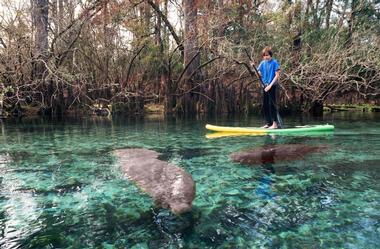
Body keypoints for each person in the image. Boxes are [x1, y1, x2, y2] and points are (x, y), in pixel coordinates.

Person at [257, 47, 281, 129]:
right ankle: (269, 123)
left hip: (272, 86)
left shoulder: (274, 62)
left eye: (267, 55)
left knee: (272, 105)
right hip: (265, 86)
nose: (266, 57)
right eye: (264, 56)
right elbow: (259, 73)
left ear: (270, 55)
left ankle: (275, 124)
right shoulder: (262, 63)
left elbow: (277, 75)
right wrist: (256, 70)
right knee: (265, 105)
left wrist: (270, 85)